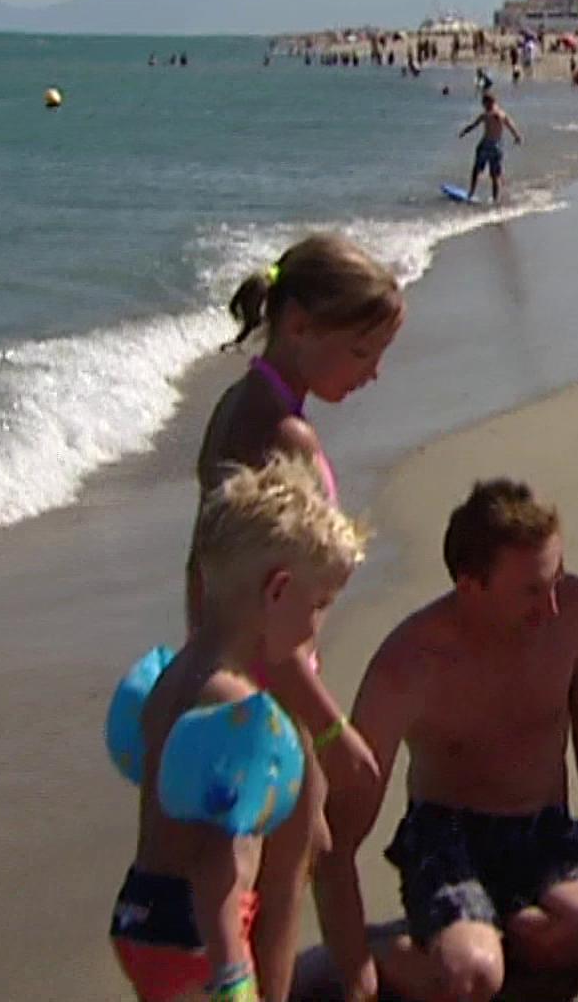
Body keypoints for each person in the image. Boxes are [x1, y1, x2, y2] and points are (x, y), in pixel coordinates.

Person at [322, 480, 578, 1002]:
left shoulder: (575, 610)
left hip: (542, 824)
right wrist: (353, 965)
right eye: (532, 591)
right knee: (470, 975)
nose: (552, 606)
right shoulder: (409, 664)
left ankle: (493, 925)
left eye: (557, 577)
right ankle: (381, 949)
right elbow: (340, 831)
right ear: (471, 586)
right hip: (448, 832)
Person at [198, 234, 407, 1000]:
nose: (372, 373)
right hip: (270, 688)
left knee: (305, 851)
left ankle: (354, 982)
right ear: (299, 326)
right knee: (281, 880)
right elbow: (271, 613)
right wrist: (330, 728)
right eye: (361, 352)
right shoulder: (284, 436)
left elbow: (205, 576)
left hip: (231, 673)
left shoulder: (236, 404)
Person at [110, 455, 368, 1002]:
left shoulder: (175, 676)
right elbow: (216, 860)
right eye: (317, 605)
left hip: (144, 916)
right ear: (277, 591)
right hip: (199, 935)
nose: (315, 627)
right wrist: (234, 976)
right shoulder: (236, 707)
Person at [459, 92, 523, 203]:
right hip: (497, 147)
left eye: (483, 103)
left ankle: (471, 193)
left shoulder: (486, 114)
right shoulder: (502, 114)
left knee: (476, 170)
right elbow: (511, 126)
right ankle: (495, 199)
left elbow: (473, 125)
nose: (483, 106)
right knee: (495, 175)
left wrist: (464, 132)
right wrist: (517, 137)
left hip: (485, 146)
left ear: (488, 102)